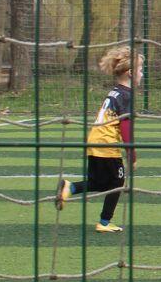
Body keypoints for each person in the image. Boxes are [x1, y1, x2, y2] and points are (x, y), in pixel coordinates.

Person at [56, 46, 138, 232]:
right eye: (141, 69)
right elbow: (125, 126)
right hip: (107, 144)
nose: (142, 73)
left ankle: (70, 188)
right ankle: (104, 222)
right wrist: (131, 153)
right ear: (131, 73)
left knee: (99, 183)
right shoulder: (127, 95)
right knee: (117, 183)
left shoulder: (115, 91)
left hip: (94, 141)